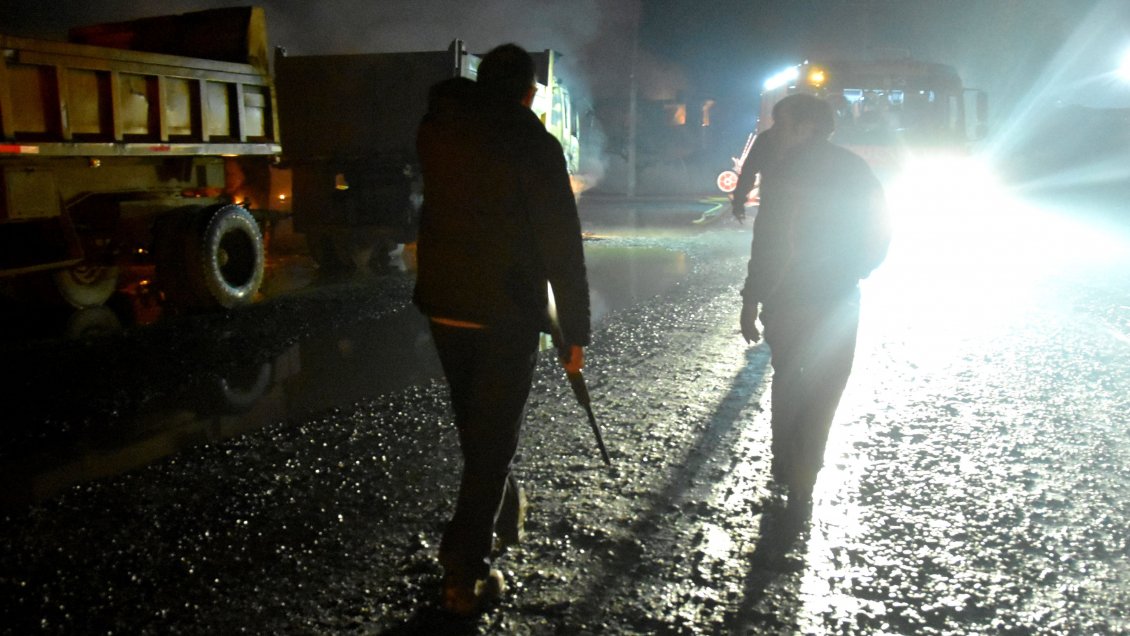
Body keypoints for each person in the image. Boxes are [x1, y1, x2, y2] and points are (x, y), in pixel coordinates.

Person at [414, 44, 591, 617]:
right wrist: (574, 332)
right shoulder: (534, 145)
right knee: (492, 442)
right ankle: (464, 573)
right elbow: (561, 246)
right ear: (531, 92)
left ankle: (503, 510)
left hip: (444, 305)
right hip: (506, 313)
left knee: (477, 426)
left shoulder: (438, 130)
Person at [738, 93, 891, 516]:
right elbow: (882, 228)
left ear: (805, 128)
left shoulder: (788, 172)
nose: (774, 132)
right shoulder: (856, 168)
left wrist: (751, 299)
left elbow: (768, 244)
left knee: (789, 381)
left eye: (781, 124)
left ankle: (787, 464)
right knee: (825, 392)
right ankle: (804, 480)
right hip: (840, 298)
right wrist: (859, 268)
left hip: (790, 300)